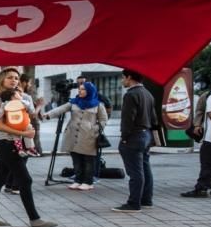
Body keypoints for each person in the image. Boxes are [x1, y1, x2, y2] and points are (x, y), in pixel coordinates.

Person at [0, 68, 57, 227]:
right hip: (5, 144)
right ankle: (34, 219)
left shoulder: (20, 97)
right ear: (2, 80)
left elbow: (28, 115)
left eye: (16, 78)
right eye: (10, 77)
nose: (14, 80)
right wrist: (24, 133)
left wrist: (26, 103)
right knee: (25, 180)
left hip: (15, 143)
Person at [44, 82, 108, 191]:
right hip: (73, 135)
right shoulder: (74, 102)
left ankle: (88, 182)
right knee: (76, 159)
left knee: (88, 160)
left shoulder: (98, 105)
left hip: (89, 136)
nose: (80, 91)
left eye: (83, 89)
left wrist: (94, 129)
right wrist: (48, 115)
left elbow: (103, 119)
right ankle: (78, 180)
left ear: (90, 91)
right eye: (79, 89)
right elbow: (60, 109)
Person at [112, 70, 157, 213]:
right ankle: (146, 200)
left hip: (134, 136)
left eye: (123, 78)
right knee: (145, 168)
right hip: (146, 134)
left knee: (135, 172)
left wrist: (124, 138)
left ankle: (134, 203)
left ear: (129, 77)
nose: (122, 81)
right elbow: (154, 118)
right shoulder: (148, 94)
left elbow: (128, 119)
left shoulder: (131, 95)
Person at [0, 89, 40, 158]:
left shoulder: (5, 104)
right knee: (29, 132)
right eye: (18, 94)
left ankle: (20, 149)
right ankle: (30, 148)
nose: (20, 95)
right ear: (13, 96)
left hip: (12, 124)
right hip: (24, 123)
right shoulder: (23, 102)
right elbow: (31, 111)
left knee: (16, 137)